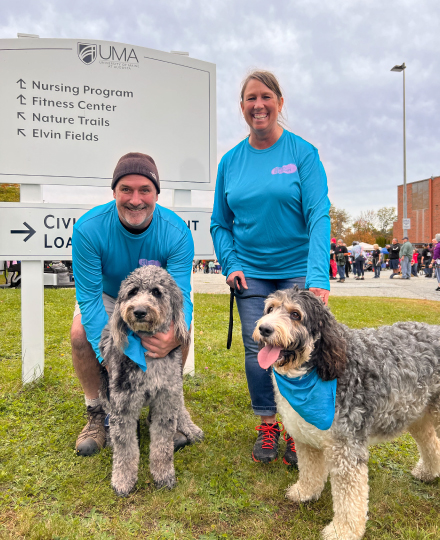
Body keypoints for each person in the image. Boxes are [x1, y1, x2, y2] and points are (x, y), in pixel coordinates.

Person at [210, 70, 330, 467]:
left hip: (297, 273)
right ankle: (268, 423)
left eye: (265, 97)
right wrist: (230, 264)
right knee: (258, 347)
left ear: (280, 102)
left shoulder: (302, 153)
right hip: (252, 273)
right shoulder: (230, 161)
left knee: (303, 347)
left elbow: (318, 215)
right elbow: (219, 223)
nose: (258, 105)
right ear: (242, 107)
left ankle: (300, 427)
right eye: (250, 99)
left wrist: (317, 277)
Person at [71, 152, 194, 456]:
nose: (135, 199)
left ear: (156, 194)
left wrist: (173, 337)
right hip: (110, 295)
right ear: (114, 191)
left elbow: (180, 297)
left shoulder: (177, 232)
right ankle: (97, 412)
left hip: (155, 296)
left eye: (145, 190)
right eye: (126, 189)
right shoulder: (88, 229)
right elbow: (88, 297)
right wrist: (111, 346)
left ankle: (166, 410)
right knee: (79, 335)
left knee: (180, 331)